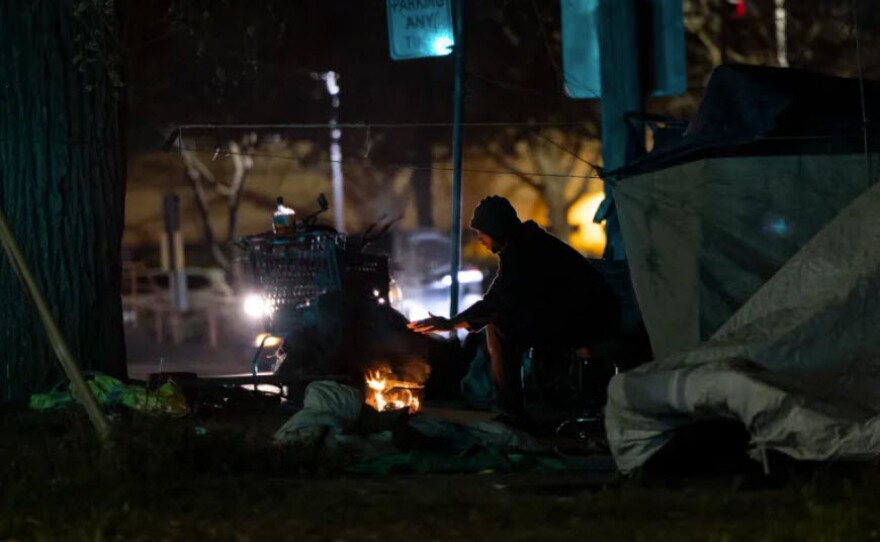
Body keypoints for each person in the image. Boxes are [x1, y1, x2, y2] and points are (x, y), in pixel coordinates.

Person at [408, 195, 620, 419]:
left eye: (482, 232)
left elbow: (499, 302)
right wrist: (455, 323)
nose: (480, 239)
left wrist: (450, 324)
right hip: (585, 315)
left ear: (495, 228)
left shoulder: (524, 251)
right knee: (499, 321)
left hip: (589, 319)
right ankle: (518, 405)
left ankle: (511, 410)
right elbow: (498, 297)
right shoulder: (524, 245)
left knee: (499, 326)